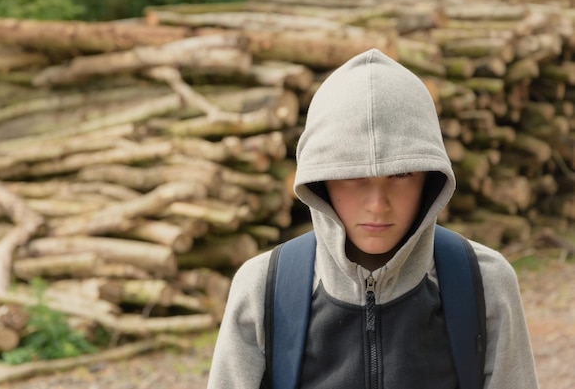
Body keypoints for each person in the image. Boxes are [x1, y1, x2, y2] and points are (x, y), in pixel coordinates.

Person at [206, 48, 539, 388]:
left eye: (402, 173)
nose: (378, 205)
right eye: (353, 175)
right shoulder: (263, 291)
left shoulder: (484, 283)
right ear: (320, 179)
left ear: (430, 176)